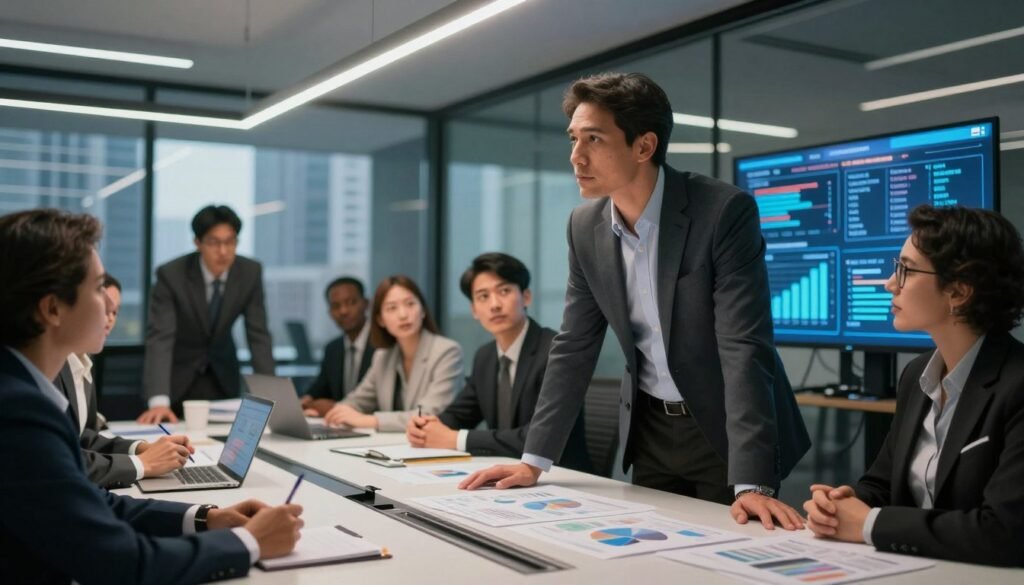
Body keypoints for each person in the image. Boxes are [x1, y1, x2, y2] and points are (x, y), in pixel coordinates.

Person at [460, 73, 810, 531]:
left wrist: (753, 482)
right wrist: (533, 461)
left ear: (644, 147)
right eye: (573, 139)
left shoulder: (722, 212)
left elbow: (744, 348)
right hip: (650, 433)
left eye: (593, 139)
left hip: (725, 430)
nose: (576, 156)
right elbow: (574, 346)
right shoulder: (584, 228)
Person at [0, 208, 302, 584]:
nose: (111, 306)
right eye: (98, 288)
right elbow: (122, 562)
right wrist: (249, 542)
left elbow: (91, 503)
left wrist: (206, 518)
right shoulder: (18, 413)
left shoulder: (25, 393)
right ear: (51, 308)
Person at [803, 205, 1024, 566]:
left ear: (958, 291)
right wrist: (841, 504)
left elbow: (1005, 530)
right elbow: (882, 485)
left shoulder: (1017, 385)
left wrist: (869, 523)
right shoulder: (917, 375)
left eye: (905, 270)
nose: (890, 283)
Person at [406, 253, 592, 472]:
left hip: (561, 477)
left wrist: (457, 439)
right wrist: (425, 426)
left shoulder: (555, 350)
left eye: (504, 291)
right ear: (474, 310)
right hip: (505, 473)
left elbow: (536, 437)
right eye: (483, 296)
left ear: (526, 296)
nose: (494, 305)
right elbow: (459, 414)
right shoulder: (485, 357)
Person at [138, 205, 274, 423]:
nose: (223, 251)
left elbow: (258, 336)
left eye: (230, 242)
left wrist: (271, 398)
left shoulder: (249, 272)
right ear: (197, 243)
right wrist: (158, 400)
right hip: (177, 378)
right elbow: (160, 337)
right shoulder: (171, 275)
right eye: (214, 242)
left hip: (223, 377)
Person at [57, 274, 193, 489]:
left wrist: (143, 448)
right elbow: (61, 461)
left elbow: (84, 438)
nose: (110, 318)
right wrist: (142, 463)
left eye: (115, 312)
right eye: (104, 308)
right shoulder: (53, 369)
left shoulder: (83, 362)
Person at [324, 275, 462, 432]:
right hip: (394, 447)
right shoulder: (383, 356)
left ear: (422, 310)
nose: (403, 314)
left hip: (436, 450)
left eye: (410, 304)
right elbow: (358, 399)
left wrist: (369, 420)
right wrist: (340, 412)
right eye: (392, 308)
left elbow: (428, 414)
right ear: (381, 320)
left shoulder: (447, 351)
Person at [301, 277, 375, 416]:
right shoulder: (333, 349)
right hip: (339, 426)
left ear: (365, 304)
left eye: (351, 303)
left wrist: (336, 407)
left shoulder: (383, 345)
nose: (343, 311)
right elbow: (319, 387)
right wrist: (306, 401)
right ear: (330, 313)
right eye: (336, 306)